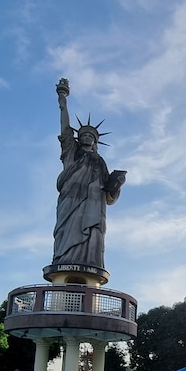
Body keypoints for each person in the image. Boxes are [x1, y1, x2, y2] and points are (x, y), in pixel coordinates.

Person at [52, 78, 126, 270]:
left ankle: (90, 265)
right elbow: (65, 128)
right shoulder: (71, 153)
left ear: (95, 142)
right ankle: (64, 261)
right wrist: (63, 100)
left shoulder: (99, 162)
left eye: (90, 137)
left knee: (94, 234)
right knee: (65, 232)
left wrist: (116, 185)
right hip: (71, 201)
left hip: (94, 207)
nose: (86, 137)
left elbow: (108, 195)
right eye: (83, 135)